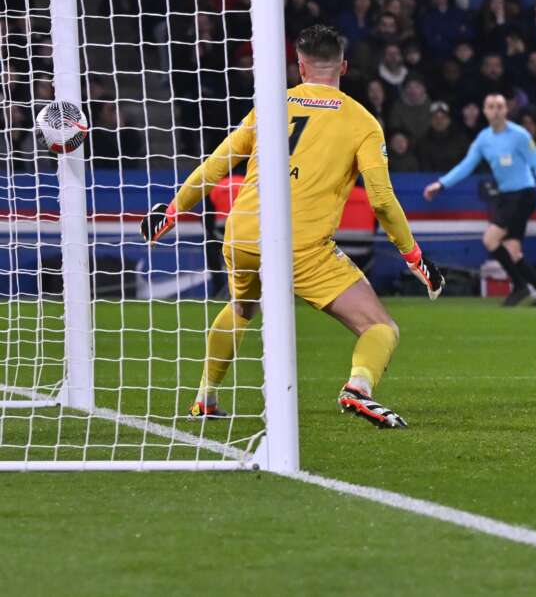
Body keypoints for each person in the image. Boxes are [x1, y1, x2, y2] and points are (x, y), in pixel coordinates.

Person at [140, 25, 443, 429]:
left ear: (300, 67)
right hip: (302, 248)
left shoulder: (270, 106)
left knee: (242, 306)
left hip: (243, 233)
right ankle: (359, 388)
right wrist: (413, 256)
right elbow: (382, 200)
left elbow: (217, 163)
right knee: (381, 327)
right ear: (344, 67)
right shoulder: (362, 121)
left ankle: (204, 398)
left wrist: (174, 210)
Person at [424, 93, 536, 307]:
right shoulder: (484, 139)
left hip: (524, 194)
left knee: (490, 239)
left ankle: (520, 286)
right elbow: (466, 166)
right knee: (513, 251)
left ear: (506, 110)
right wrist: (441, 184)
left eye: (499, 106)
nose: (495, 110)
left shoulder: (520, 135)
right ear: (484, 111)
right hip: (506, 196)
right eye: (491, 106)